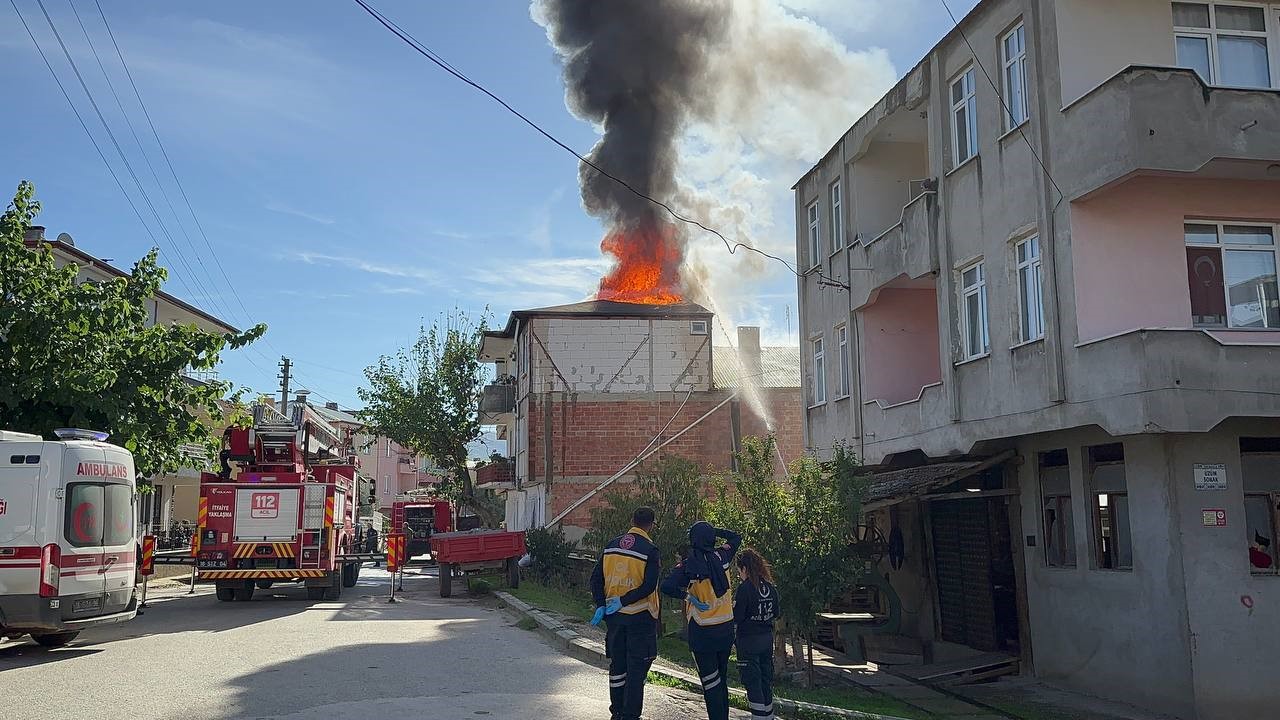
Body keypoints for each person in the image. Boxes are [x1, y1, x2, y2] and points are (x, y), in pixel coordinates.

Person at [660, 521, 742, 720]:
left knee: (710, 681)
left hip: (702, 631)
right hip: (725, 629)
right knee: (721, 679)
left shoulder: (689, 565)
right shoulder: (722, 556)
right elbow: (736, 537)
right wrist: (716, 531)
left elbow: (666, 586)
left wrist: (688, 597)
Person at [589, 507, 662, 720]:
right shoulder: (650, 550)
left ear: (632, 520)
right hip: (640, 618)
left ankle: (616, 711)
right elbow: (649, 586)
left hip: (615, 619)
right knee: (636, 669)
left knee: (617, 667)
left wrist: (601, 604)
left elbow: (596, 579)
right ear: (652, 525)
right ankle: (630, 715)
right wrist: (625, 600)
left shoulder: (611, 545)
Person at [734, 548, 779, 720]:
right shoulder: (770, 588)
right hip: (766, 640)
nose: (740, 575)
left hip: (748, 642)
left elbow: (737, 617)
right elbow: (776, 612)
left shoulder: (745, 589)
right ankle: (768, 715)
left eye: (739, 571)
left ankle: (758, 716)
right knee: (765, 680)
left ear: (744, 569)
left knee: (752, 681)